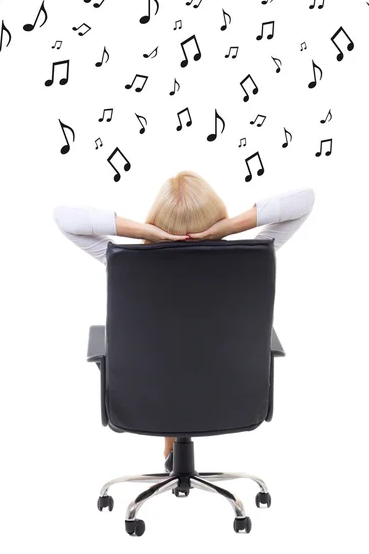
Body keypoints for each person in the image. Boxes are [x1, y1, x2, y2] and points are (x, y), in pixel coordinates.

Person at [53, 170, 315, 471]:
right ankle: (175, 435)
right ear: (216, 215)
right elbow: (305, 201)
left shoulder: (126, 263)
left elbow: (64, 218)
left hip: (149, 398)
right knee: (193, 342)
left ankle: (170, 436)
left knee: (169, 345)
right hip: (228, 398)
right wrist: (229, 227)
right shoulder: (249, 259)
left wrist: (143, 233)